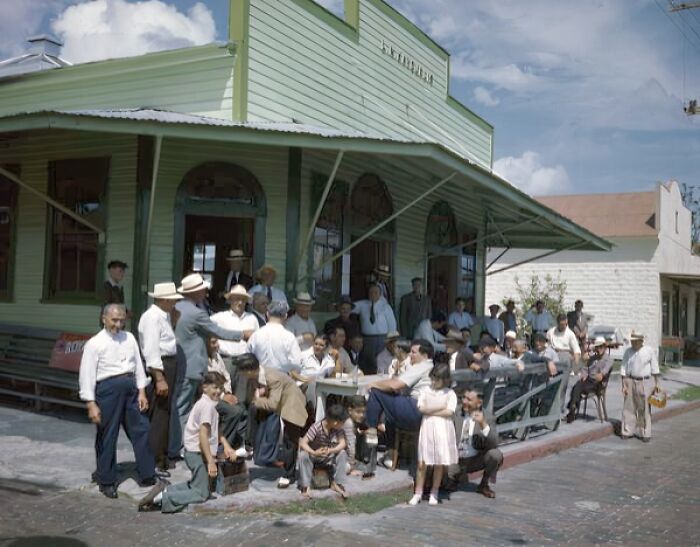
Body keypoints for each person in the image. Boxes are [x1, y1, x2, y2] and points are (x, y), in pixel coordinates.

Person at [79, 303, 156, 499]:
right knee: (108, 434)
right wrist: (91, 403)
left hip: (131, 388)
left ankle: (147, 472)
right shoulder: (94, 343)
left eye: (122, 320)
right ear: (104, 318)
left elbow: (138, 365)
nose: (118, 324)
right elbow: (86, 375)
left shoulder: (129, 338)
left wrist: (142, 391)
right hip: (107, 390)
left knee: (141, 429)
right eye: (114, 320)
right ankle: (106, 480)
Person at [138, 372, 238, 513]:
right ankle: (162, 499)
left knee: (198, 485)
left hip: (199, 452)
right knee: (202, 493)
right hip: (196, 453)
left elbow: (214, 430)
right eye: (215, 387)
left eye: (221, 388)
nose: (218, 391)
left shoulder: (211, 404)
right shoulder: (207, 406)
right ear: (205, 388)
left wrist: (226, 446)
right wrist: (210, 461)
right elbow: (203, 435)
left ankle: (165, 490)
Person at [174, 273, 243, 452]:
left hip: (181, 363)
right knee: (184, 408)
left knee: (182, 406)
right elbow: (216, 331)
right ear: (195, 291)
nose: (205, 292)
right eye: (203, 289)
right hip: (191, 366)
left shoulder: (177, 307)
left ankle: (178, 445)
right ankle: (182, 446)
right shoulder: (196, 312)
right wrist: (242, 335)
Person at [365, 339, 435, 468]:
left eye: (414, 352)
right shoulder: (427, 366)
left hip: (415, 408)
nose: (410, 355)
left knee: (375, 392)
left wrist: (372, 384)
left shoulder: (422, 366)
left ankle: (371, 430)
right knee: (390, 413)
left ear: (424, 355)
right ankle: (390, 454)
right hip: (420, 410)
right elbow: (395, 382)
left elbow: (395, 385)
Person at [244, 354, 308, 488]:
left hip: (292, 403)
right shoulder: (257, 375)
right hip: (281, 403)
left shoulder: (272, 377)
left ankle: (288, 475)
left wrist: (257, 400)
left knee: (289, 440)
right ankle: (251, 446)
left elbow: (272, 404)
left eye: (242, 370)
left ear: (249, 370)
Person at [138, 282, 183, 475]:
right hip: (161, 366)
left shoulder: (162, 316)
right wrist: (159, 377)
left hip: (167, 364)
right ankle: (155, 460)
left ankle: (160, 457)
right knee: (159, 415)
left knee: (163, 413)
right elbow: (151, 349)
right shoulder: (152, 317)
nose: (174, 303)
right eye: (172, 300)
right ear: (163, 299)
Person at [408, 362, 458, 506]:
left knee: (438, 462)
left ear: (445, 380)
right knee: (422, 462)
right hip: (428, 427)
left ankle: (434, 492)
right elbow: (422, 408)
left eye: (437, 379)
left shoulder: (450, 393)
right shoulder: (425, 391)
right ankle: (418, 492)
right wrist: (438, 407)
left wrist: (432, 409)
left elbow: (449, 411)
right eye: (433, 379)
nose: (434, 382)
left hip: (442, 428)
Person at [450, 390, 503, 499]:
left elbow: (494, 443)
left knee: (495, 455)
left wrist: (483, 424)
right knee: (445, 484)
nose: (464, 401)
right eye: (463, 398)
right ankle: (456, 477)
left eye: (469, 400)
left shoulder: (488, 417)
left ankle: (484, 484)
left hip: (475, 459)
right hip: (455, 459)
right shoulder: (455, 412)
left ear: (479, 403)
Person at [206, 338, 250, 452]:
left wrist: (228, 392)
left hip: (222, 393)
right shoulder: (201, 360)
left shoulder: (217, 356)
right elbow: (206, 386)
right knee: (234, 411)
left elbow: (226, 377)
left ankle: (236, 442)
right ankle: (220, 446)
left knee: (242, 407)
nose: (217, 345)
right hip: (210, 398)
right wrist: (222, 396)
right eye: (213, 342)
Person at [298, 404, 349, 499]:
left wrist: (331, 450)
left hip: (327, 456)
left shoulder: (337, 429)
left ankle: (338, 483)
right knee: (303, 455)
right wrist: (314, 452)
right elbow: (303, 443)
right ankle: (305, 486)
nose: (343, 425)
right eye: (342, 422)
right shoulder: (316, 427)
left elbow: (343, 444)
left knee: (342, 453)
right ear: (335, 422)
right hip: (314, 456)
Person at [620, 331, 660, 442]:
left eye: (635, 341)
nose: (633, 343)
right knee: (629, 407)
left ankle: (645, 432)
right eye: (632, 341)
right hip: (631, 380)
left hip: (645, 381)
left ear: (641, 341)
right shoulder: (628, 352)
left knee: (645, 408)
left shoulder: (648, 351)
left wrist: (656, 384)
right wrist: (624, 385)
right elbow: (623, 368)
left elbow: (655, 368)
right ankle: (628, 431)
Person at [566, 336, 613, 423]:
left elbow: (605, 370)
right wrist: (584, 374)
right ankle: (573, 407)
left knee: (579, 389)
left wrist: (602, 374)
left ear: (605, 347)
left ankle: (572, 407)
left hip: (598, 383)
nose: (599, 349)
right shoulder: (593, 357)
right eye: (597, 347)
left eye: (601, 347)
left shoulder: (608, 359)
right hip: (589, 380)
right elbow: (585, 368)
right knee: (577, 386)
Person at [353, 283, 397, 374]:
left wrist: (392, 341)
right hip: (368, 339)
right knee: (369, 362)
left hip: (383, 338)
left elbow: (392, 325)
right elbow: (350, 307)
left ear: (380, 294)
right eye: (371, 292)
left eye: (376, 292)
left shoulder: (386, 307)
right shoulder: (362, 304)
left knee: (381, 360)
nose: (373, 294)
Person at [247, 300, 302, 372]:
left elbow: (248, 358)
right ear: (285, 316)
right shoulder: (289, 337)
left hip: (260, 378)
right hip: (281, 379)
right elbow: (296, 363)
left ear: (267, 314)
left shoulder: (256, 335)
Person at [343, 395, 377, 478]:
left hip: (347, 456)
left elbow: (354, 433)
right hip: (341, 457)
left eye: (363, 412)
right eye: (358, 412)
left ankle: (364, 463)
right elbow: (350, 446)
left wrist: (362, 432)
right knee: (345, 468)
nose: (361, 415)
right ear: (350, 411)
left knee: (370, 435)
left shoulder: (353, 421)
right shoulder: (348, 423)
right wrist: (352, 467)